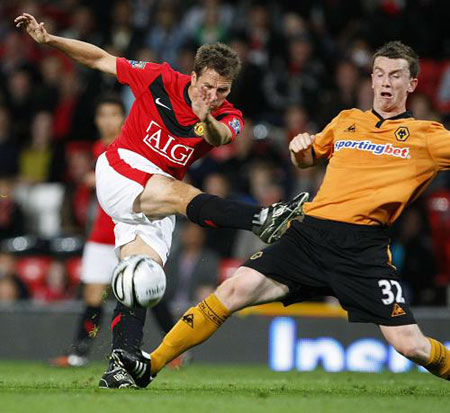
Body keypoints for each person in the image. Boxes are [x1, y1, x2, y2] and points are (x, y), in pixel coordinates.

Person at [111, 41, 450, 388]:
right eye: (379, 73)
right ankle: (150, 366)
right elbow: (306, 159)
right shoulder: (348, 120)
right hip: (309, 236)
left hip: (362, 250)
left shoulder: (428, 137)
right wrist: (299, 149)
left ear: (412, 84)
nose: (385, 82)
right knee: (233, 291)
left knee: (412, 346)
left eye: (395, 75)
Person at [15, 13, 307, 388]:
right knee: (183, 194)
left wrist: (206, 119)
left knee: (139, 277)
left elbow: (219, 138)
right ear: (195, 75)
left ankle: (121, 362)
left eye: (223, 91)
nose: (214, 96)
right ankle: (262, 218)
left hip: (154, 196)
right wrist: (50, 40)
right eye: (209, 87)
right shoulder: (160, 78)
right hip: (120, 169)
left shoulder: (227, 116)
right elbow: (101, 59)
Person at [50, 94, 178, 367]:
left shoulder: (135, 148)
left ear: (124, 118)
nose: (107, 121)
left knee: (148, 293)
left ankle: (176, 348)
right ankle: (79, 354)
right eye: (102, 115)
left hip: (134, 235)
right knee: (94, 298)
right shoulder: (98, 148)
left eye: (113, 115)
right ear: (97, 120)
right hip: (100, 237)